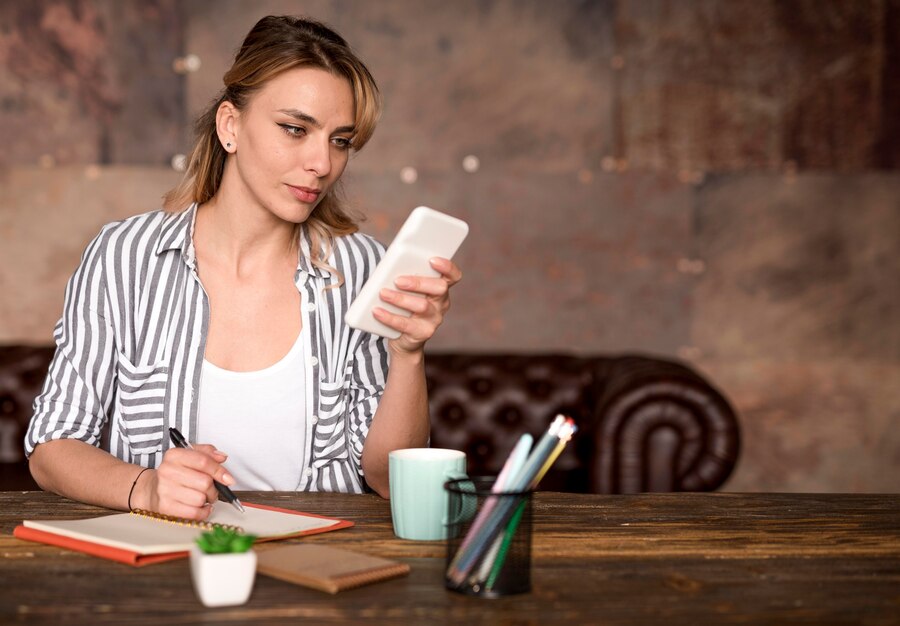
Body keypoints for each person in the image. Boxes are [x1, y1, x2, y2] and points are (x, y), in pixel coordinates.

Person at [24, 15, 462, 520]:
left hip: (326, 564)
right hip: (169, 569)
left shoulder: (361, 267)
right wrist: (146, 489)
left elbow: (387, 480)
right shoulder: (125, 256)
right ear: (230, 125)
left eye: (340, 140)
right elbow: (51, 448)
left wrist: (408, 355)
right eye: (295, 129)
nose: (322, 163)